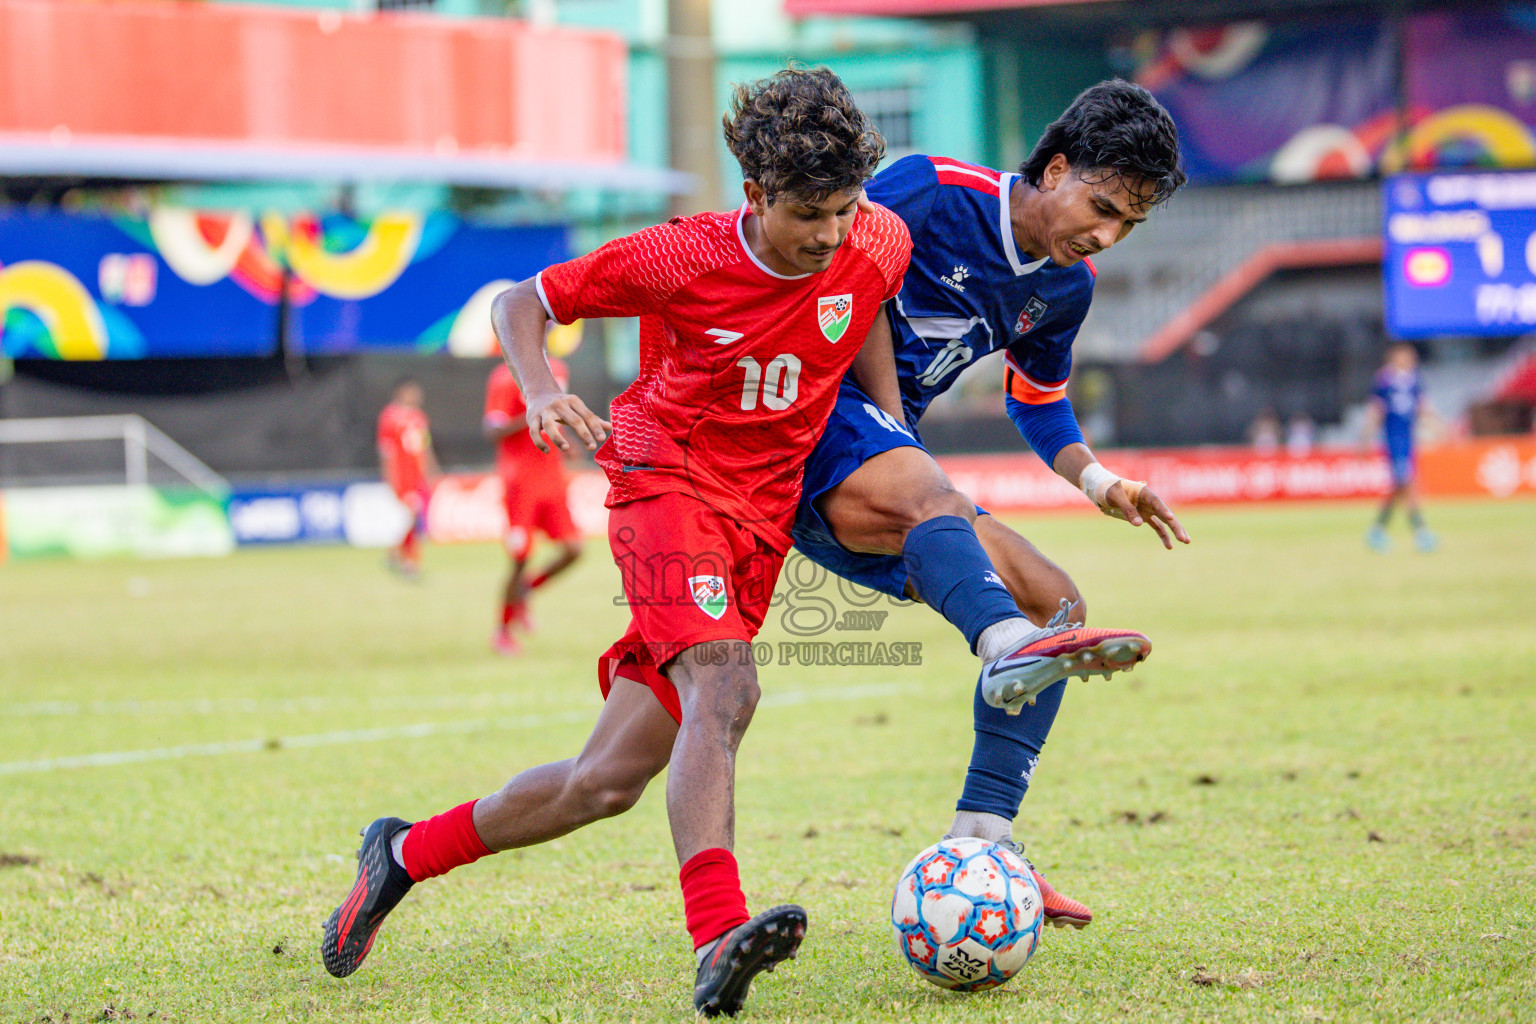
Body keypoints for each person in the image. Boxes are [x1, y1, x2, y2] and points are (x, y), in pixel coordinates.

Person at [321, 67, 911, 1018]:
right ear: (754, 193)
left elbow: (869, 293)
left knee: (604, 783)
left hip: (760, 522)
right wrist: (541, 389)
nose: (831, 234)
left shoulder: (875, 236)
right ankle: (717, 936)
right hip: (664, 481)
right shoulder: (678, 256)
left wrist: (893, 432)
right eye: (809, 214)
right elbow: (521, 302)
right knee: (727, 686)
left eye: (845, 209)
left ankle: (399, 854)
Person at [790, 79, 1190, 929]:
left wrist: (1100, 481)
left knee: (1057, 604)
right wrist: (893, 427)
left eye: (1129, 224)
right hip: (802, 426)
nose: (1107, 235)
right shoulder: (933, 191)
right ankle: (1001, 643)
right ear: (1056, 168)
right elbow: (843, 280)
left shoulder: (1067, 288)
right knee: (939, 509)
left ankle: (984, 842)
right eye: (1103, 207)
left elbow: (1037, 399)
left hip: (886, 468)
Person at [484, 355, 583, 654]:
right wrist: (533, 414)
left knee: (573, 550)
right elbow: (492, 430)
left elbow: (557, 415)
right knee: (520, 558)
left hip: (552, 477)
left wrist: (567, 441)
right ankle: (502, 631)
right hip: (521, 482)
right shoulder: (505, 377)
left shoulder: (559, 369)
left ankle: (525, 592)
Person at [1364, 342, 1440, 552]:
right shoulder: (1384, 380)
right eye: (1404, 356)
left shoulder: (1414, 380)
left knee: (1399, 487)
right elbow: (1376, 411)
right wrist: (1366, 436)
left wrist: (1438, 426)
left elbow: (1422, 408)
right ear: (1394, 357)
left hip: (1409, 441)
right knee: (1408, 484)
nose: (1408, 359)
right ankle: (1421, 532)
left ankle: (1377, 530)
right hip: (1394, 441)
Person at [376, 378, 439, 578]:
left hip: (417, 476)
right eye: (412, 392)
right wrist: (390, 478)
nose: (417, 396)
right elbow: (386, 451)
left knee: (413, 518)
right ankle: (410, 563)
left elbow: (425, 447)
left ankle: (394, 554)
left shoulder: (419, 417)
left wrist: (432, 471)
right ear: (401, 392)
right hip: (402, 476)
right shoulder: (389, 416)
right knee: (412, 516)